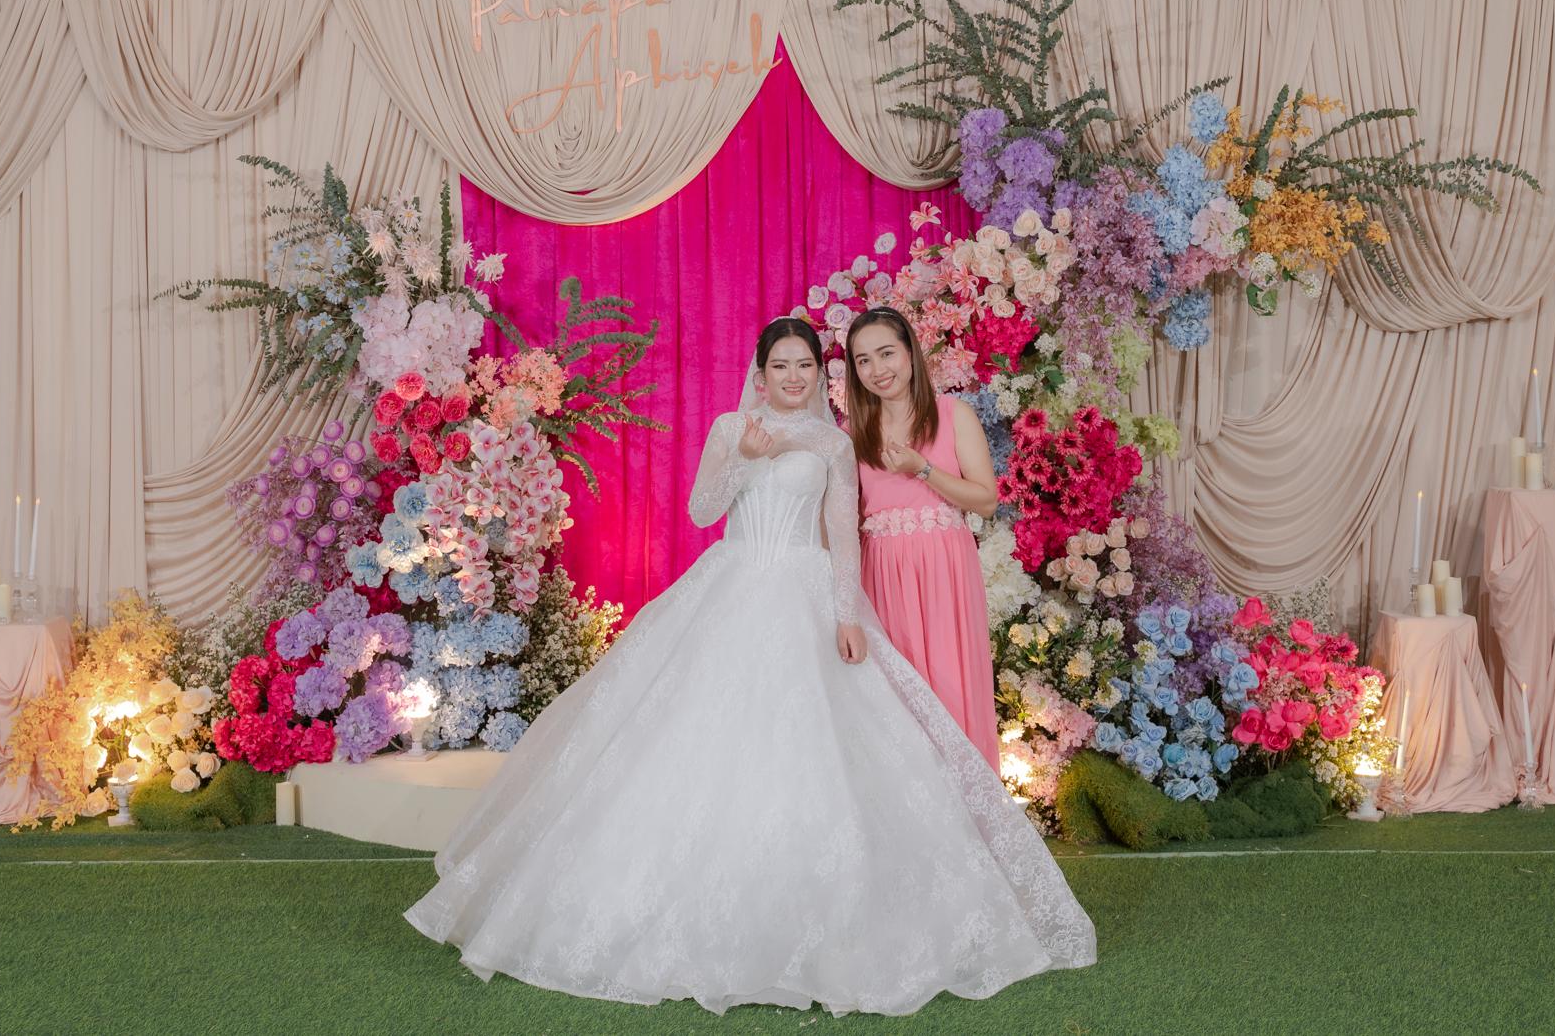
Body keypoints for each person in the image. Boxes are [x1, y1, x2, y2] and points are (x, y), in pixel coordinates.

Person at [404, 317, 1094, 1016]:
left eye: (805, 366)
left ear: (819, 375)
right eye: (780, 366)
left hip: (804, 590)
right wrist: (742, 458)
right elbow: (703, 510)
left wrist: (847, 613)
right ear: (760, 375)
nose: (793, 377)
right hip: (730, 585)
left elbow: (842, 532)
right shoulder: (731, 426)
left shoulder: (835, 441)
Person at [845, 306, 1003, 767]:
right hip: (882, 576)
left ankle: (964, 804)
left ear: (910, 353)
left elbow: (986, 500)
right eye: (863, 360)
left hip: (943, 572)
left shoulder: (953, 415)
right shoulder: (853, 433)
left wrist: (923, 469)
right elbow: (846, 519)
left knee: (950, 686)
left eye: (886, 353)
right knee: (895, 697)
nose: (877, 369)